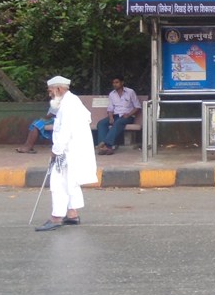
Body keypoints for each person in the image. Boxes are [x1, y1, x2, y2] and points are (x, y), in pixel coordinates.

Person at [35, 76, 98, 231]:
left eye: (50, 91)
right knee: (70, 182)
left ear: (59, 89)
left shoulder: (69, 105)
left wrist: (56, 151)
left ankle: (56, 217)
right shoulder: (72, 101)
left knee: (58, 183)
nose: (49, 94)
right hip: (73, 150)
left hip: (67, 151)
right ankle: (72, 214)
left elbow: (65, 130)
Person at [96, 76, 141, 155]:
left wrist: (129, 114)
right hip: (115, 115)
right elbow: (110, 108)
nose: (115, 84)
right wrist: (110, 117)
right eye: (113, 83)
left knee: (118, 122)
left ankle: (107, 145)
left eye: (117, 82)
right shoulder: (112, 94)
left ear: (122, 83)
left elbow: (137, 107)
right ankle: (104, 148)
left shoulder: (130, 92)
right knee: (101, 123)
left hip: (127, 116)